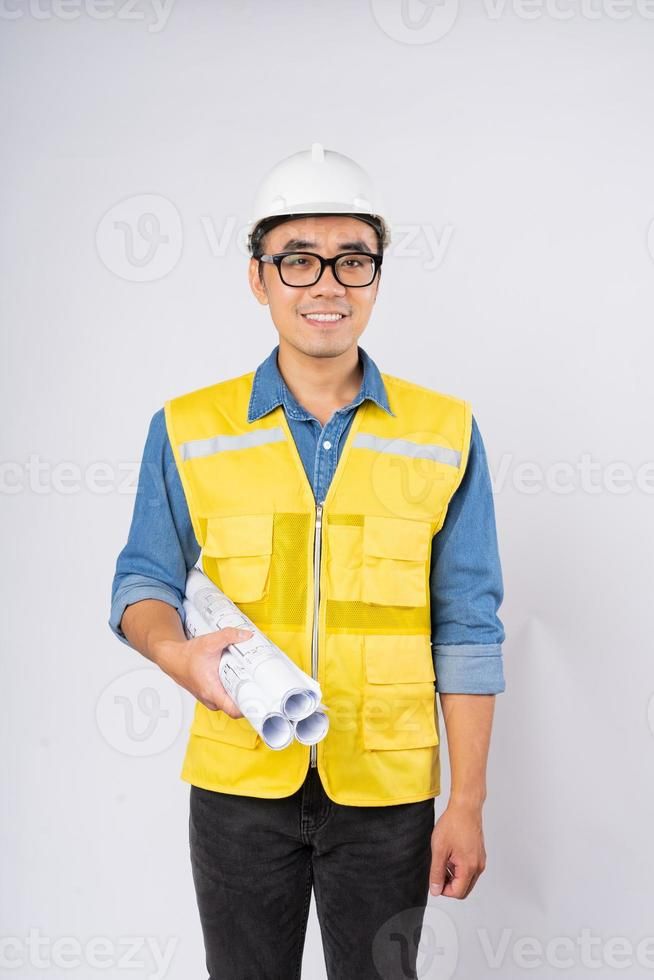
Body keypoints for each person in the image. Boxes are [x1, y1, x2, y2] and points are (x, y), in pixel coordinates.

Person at [108, 142, 506, 980]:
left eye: (353, 261)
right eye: (299, 260)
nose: (328, 284)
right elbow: (143, 581)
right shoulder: (187, 426)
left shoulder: (442, 432)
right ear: (259, 278)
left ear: (377, 276)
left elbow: (469, 624)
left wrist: (464, 802)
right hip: (239, 787)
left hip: (390, 793)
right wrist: (174, 653)